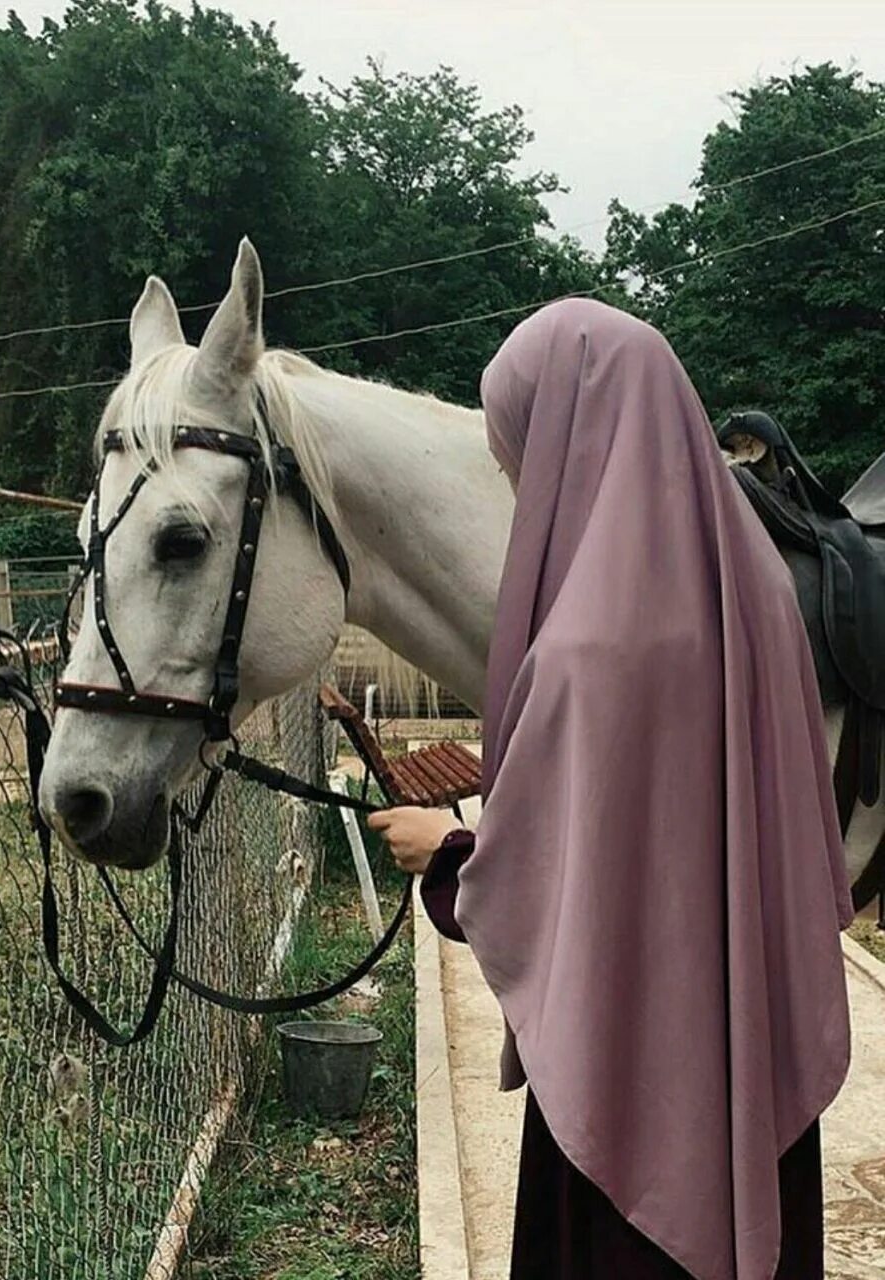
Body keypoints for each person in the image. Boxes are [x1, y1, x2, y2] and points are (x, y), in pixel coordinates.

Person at [368, 299, 852, 1280]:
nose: (515, 479)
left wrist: (449, 851)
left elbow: (560, 893)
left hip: (632, 1071)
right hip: (748, 1057)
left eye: (519, 453)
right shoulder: (755, 583)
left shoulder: (590, 641)